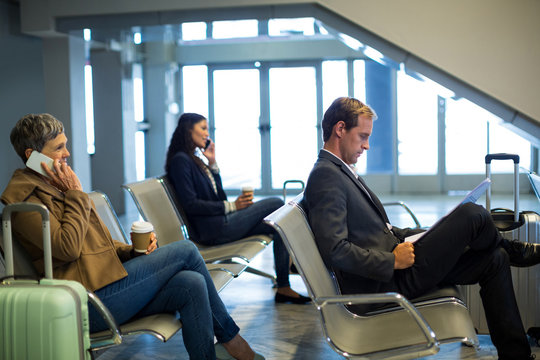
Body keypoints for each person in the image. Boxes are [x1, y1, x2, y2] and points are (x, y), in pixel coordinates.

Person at [1, 113, 264, 360]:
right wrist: (76, 196)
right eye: (58, 148)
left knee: (191, 283)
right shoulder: (25, 203)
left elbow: (99, 243)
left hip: (110, 285)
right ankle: (233, 342)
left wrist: (133, 252)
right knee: (185, 250)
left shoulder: (59, 188)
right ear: (33, 156)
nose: (67, 153)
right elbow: (67, 248)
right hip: (85, 303)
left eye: (65, 145)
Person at [303, 97, 540, 360]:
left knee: (495, 259)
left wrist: (426, 233)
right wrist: (391, 260)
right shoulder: (326, 175)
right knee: (473, 214)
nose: (367, 145)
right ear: (340, 129)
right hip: (385, 283)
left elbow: (380, 230)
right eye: (362, 136)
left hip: (397, 265)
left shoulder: (339, 171)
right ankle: (514, 248)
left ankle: (516, 356)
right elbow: (334, 250)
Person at [165, 113, 309, 304]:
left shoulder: (195, 160)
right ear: (188, 130)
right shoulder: (181, 161)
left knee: (277, 225)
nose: (207, 134)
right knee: (275, 203)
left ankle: (284, 286)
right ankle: (295, 262)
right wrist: (233, 205)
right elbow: (191, 204)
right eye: (203, 128)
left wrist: (213, 164)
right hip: (213, 230)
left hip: (220, 223)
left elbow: (219, 198)